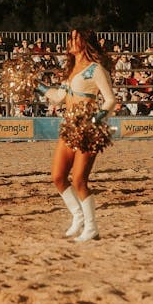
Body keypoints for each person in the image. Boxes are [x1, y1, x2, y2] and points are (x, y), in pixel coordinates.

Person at [39, 29, 117, 242]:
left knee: (80, 180)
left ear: (85, 42)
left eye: (75, 37)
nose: (70, 41)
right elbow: (57, 98)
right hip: (68, 128)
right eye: (70, 38)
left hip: (88, 129)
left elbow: (110, 100)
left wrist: (96, 120)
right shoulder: (71, 70)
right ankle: (78, 216)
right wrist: (37, 86)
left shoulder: (96, 69)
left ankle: (92, 227)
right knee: (58, 177)